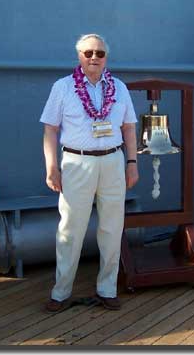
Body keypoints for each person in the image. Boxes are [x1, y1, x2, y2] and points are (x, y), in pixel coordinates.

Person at [40, 34, 139, 312]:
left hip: (112, 162)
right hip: (76, 163)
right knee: (71, 230)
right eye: (88, 53)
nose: (94, 57)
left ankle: (107, 288)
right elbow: (50, 129)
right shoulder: (62, 88)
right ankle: (61, 292)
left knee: (111, 227)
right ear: (79, 56)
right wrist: (51, 166)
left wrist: (132, 163)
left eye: (100, 53)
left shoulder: (119, 88)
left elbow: (129, 128)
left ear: (106, 56)